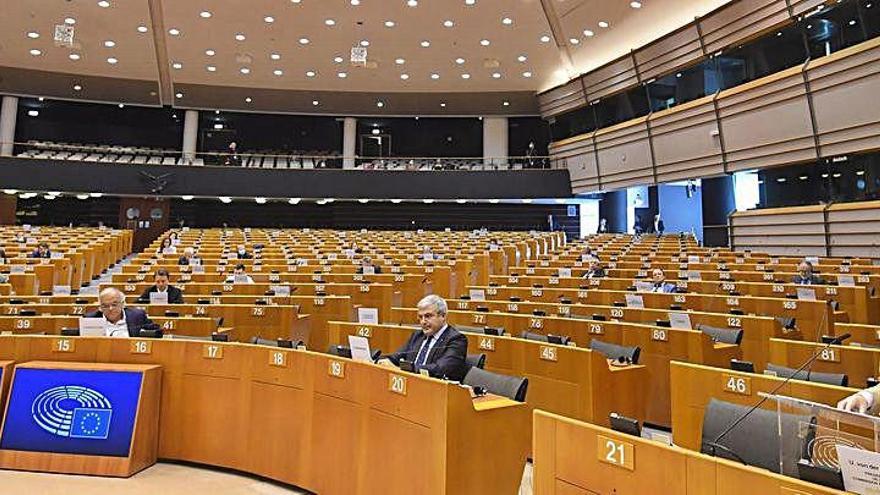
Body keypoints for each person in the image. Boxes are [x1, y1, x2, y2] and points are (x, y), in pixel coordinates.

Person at [385, 295, 468, 381]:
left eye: (428, 316)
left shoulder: (456, 339)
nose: (423, 322)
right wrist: (385, 361)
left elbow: (441, 369)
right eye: (420, 317)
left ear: (443, 316)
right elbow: (397, 356)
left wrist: (411, 370)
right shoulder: (417, 335)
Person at [85, 287, 155, 337]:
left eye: (114, 304)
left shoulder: (137, 316)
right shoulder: (90, 319)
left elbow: (155, 331)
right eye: (105, 306)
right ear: (100, 308)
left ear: (122, 304)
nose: (110, 308)